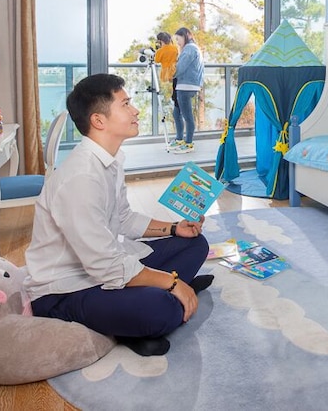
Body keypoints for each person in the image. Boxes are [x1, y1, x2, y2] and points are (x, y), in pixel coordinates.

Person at [24, 73, 213, 357]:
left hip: (103, 270)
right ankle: (161, 304)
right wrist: (172, 282)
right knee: (159, 310)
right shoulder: (80, 178)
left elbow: (124, 219)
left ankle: (149, 307)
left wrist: (175, 228)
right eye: (125, 104)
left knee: (196, 244)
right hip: (65, 290)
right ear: (99, 121)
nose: (135, 111)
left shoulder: (110, 161)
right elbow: (104, 265)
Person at [171, 27, 204, 154]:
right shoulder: (193, 48)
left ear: (186, 35)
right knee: (177, 112)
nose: (178, 42)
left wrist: (169, 74)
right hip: (187, 85)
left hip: (186, 85)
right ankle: (180, 139)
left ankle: (189, 143)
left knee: (187, 116)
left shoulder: (190, 48)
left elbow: (180, 68)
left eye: (178, 39)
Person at [153, 31, 179, 107]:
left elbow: (157, 60)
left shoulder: (160, 51)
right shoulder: (175, 48)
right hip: (175, 71)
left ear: (160, 41)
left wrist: (157, 51)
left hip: (165, 73)